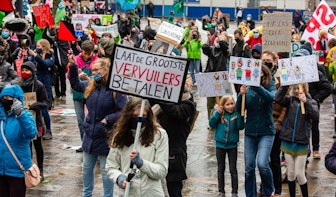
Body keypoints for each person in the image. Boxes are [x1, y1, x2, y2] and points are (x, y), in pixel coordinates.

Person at [68, 56, 128, 197]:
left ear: (105, 70)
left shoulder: (115, 88)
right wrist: (72, 67)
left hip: (106, 135)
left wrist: (108, 119)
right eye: (92, 70)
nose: (93, 73)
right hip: (90, 134)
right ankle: (86, 194)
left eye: (96, 70)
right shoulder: (91, 85)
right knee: (86, 168)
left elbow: (124, 111)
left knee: (106, 171)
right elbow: (76, 85)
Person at [106, 97, 169, 196]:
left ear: (148, 116)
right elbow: (111, 167)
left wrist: (142, 164)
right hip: (128, 193)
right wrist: (119, 178)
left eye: (143, 116)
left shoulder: (159, 135)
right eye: (134, 116)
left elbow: (162, 171)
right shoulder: (119, 136)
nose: (138, 120)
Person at [150, 79, 196, 197]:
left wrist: (160, 95)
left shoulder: (188, 104)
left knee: (173, 191)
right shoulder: (160, 104)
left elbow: (174, 111)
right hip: (156, 152)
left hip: (174, 155)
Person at [236, 64, 276, 197]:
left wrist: (256, 86)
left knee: (262, 164)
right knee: (249, 168)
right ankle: (250, 194)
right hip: (251, 132)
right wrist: (241, 95)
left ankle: (268, 190)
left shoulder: (270, 84)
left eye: (259, 74)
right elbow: (240, 108)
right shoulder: (247, 87)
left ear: (264, 74)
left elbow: (270, 98)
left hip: (267, 131)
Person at [275, 83, 319, 197]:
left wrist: (306, 102)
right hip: (288, 140)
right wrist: (285, 85)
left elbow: (316, 116)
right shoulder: (290, 101)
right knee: (290, 173)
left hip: (301, 142)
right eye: (295, 88)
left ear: (304, 89)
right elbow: (277, 98)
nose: (296, 91)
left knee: (300, 174)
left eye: (298, 88)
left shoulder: (311, 102)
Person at [0, 85, 37, 197]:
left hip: (17, 170)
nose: (6, 100)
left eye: (9, 98)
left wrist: (20, 116)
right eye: (3, 97)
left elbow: (31, 133)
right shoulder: (1, 117)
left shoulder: (26, 117)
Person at [209, 95, 244, 197]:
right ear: (223, 105)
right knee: (221, 168)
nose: (230, 106)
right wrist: (217, 114)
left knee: (233, 169)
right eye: (227, 104)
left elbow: (240, 127)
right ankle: (221, 191)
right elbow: (211, 124)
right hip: (220, 145)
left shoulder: (236, 114)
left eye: (232, 103)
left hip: (232, 146)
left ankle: (234, 192)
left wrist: (241, 116)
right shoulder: (219, 114)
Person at [19, 61, 48, 181]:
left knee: (37, 145)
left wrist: (36, 105)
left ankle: (40, 168)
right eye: (23, 70)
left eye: (27, 70)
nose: (24, 72)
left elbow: (46, 102)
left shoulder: (39, 85)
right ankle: (29, 168)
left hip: (36, 120)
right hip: (22, 119)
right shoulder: (19, 84)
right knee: (27, 145)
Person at [72, 40, 98, 152]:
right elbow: (70, 77)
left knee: (92, 120)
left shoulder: (96, 61)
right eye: (84, 51)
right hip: (78, 93)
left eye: (89, 52)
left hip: (90, 93)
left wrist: (89, 79)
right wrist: (75, 71)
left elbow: (100, 78)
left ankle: (91, 142)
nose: (86, 54)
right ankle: (84, 143)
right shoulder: (77, 59)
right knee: (80, 120)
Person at [28, 38, 54, 140]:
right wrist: (31, 56)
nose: (37, 48)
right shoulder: (35, 56)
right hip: (35, 83)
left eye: (38, 46)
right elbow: (29, 64)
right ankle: (38, 129)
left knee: (44, 108)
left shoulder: (50, 55)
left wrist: (36, 56)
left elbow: (45, 64)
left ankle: (48, 130)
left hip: (45, 82)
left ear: (44, 47)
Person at [202, 32, 229, 119]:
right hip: (210, 77)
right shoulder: (211, 49)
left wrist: (221, 39)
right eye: (217, 40)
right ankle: (211, 121)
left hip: (221, 77)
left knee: (222, 101)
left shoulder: (225, 51)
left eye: (220, 40)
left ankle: (222, 119)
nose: (218, 41)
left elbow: (224, 46)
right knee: (210, 103)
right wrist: (208, 39)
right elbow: (204, 48)